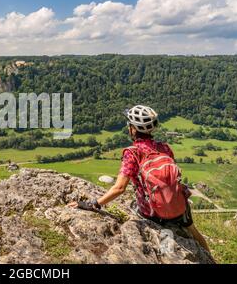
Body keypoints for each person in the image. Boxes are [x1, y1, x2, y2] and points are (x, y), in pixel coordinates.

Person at [68, 105, 211, 254]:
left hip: (152, 213)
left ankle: (163, 242)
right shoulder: (165, 148)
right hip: (179, 208)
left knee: (133, 205)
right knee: (193, 231)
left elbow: (119, 188)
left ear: (133, 129)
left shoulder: (132, 153)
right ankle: (211, 259)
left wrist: (92, 204)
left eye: (129, 125)